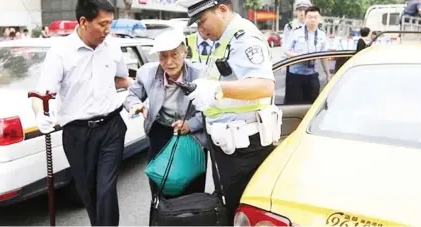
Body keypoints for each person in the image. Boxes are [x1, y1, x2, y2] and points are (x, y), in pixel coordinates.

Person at [30, 0, 133, 225]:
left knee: (106, 188)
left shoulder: (113, 46)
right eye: (103, 24)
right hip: (77, 134)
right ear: (84, 22)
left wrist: (144, 84)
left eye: (110, 24)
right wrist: (40, 115)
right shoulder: (60, 52)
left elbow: (120, 78)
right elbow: (41, 94)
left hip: (111, 127)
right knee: (89, 192)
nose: (108, 30)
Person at [176, 0, 279, 224]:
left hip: (245, 147)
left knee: (242, 210)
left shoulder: (244, 38)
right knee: (228, 204)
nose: (201, 31)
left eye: (202, 22)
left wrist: (216, 90)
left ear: (222, 9)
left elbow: (264, 85)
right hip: (228, 144)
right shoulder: (224, 40)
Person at [123, 29, 208, 223]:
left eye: (174, 55)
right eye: (163, 57)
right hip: (160, 130)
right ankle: (162, 219)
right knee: (160, 182)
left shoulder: (199, 74)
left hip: (191, 134)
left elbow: (212, 108)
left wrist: (191, 124)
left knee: (191, 185)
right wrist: (136, 105)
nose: (169, 62)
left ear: (185, 52)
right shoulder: (147, 72)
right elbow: (132, 95)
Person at [284, 6, 331, 105]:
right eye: (310, 17)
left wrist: (328, 74)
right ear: (305, 18)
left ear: (319, 19)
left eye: (315, 17)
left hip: (312, 74)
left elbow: (324, 56)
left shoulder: (322, 35)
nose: (312, 20)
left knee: (311, 105)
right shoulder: (295, 32)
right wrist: (299, 58)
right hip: (296, 75)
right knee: (294, 105)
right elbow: (286, 50)